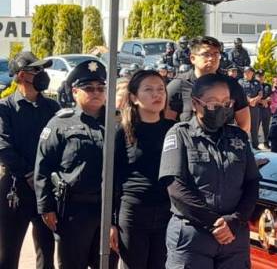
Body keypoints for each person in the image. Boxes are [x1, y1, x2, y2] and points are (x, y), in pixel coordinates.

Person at [159, 74, 260, 268]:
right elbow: (175, 188)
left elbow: (252, 182)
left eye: (226, 103)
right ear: (196, 104)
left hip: (234, 235)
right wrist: (214, 223)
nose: (221, 109)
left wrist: (234, 220)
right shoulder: (180, 134)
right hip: (193, 234)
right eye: (213, 103)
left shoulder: (238, 137)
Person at [34, 60, 117, 269]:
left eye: (100, 88)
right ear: (75, 92)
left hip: (108, 209)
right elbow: (43, 167)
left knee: (106, 264)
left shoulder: (116, 123)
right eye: (88, 88)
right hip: (73, 211)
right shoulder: (60, 123)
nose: (96, 93)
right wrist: (46, 208)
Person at [109, 70, 175, 269]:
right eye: (149, 90)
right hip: (133, 213)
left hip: (166, 211)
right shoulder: (122, 131)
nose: (157, 95)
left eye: (161, 89)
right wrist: (111, 222)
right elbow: (111, 178)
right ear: (134, 97)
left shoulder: (174, 130)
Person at [0, 52, 58, 269]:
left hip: (46, 190)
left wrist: (44, 178)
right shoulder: (5, 108)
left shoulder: (52, 108)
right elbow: (3, 147)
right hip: (15, 189)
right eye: (37, 70)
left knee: (46, 251)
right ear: (23, 75)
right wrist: (28, 173)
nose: (43, 74)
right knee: (8, 254)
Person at [167, 36, 250, 132]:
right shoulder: (178, 85)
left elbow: (244, 125)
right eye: (206, 54)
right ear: (193, 58)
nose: (211, 58)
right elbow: (167, 127)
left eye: (216, 54)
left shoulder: (231, 85)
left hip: (224, 144)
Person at [239, 67, 263, 149]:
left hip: (254, 107)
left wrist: (254, 100)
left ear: (252, 73)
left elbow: (260, 94)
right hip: (243, 107)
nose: (246, 74)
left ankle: (255, 145)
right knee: (242, 126)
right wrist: (249, 100)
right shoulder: (240, 82)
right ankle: (242, 145)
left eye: (248, 72)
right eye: (245, 72)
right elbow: (240, 93)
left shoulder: (257, 82)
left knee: (254, 126)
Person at [256, 71, 273, 149]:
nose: (261, 78)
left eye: (262, 76)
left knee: (266, 127)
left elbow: (271, 96)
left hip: (266, 108)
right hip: (257, 108)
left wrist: (266, 101)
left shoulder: (268, 86)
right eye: (259, 76)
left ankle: (266, 142)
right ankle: (255, 143)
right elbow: (251, 96)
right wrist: (263, 102)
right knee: (256, 127)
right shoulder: (254, 85)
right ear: (256, 77)